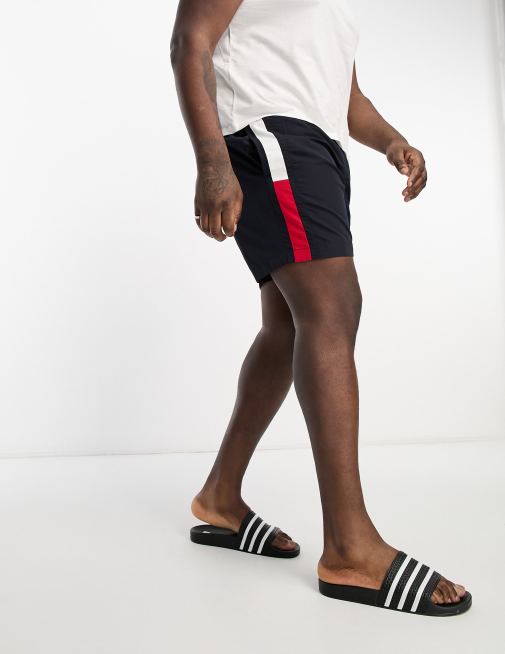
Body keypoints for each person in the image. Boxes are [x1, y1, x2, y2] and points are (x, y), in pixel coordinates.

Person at [170, 0, 471, 616]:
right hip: (268, 134)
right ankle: (350, 547)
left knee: (287, 326)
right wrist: (212, 161)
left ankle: (221, 496)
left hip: (317, 144)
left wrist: (391, 141)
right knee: (333, 308)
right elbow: (190, 42)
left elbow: (344, 94)